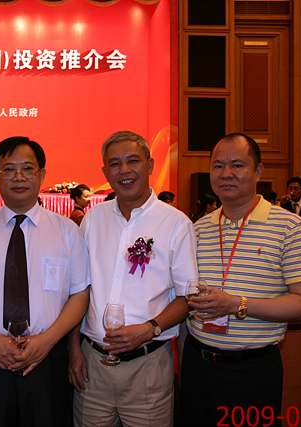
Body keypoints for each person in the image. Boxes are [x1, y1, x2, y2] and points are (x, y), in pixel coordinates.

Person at [181, 133, 301, 427]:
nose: (226, 174)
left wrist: (236, 304)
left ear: (258, 171)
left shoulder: (290, 227)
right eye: (218, 166)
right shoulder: (198, 228)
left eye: (237, 165)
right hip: (198, 364)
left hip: (253, 370)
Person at [0, 136, 90, 427]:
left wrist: (46, 341)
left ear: (42, 174)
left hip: (48, 358)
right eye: (9, 169)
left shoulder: (67, 231)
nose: (19, 177)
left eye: (27, 168)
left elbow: (80, 294)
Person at [69, 130, 198, 427]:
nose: (124, 170)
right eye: (114, 164)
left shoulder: (176, 223)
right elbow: (78, 289)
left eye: (133, 161)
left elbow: (187, 297)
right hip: (92, 365)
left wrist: (150, 328)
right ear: (105, 172)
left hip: (148, 366)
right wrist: (74, 349)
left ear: (150, 165)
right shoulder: (93, 219)